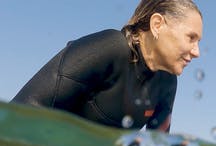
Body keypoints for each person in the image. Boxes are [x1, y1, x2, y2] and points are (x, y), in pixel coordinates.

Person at [10, 0, 203, 133]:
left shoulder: (166, 82)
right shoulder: (110, 48)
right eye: (191, 38)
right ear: (157, 25)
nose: (197, 52)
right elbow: (26, 109)